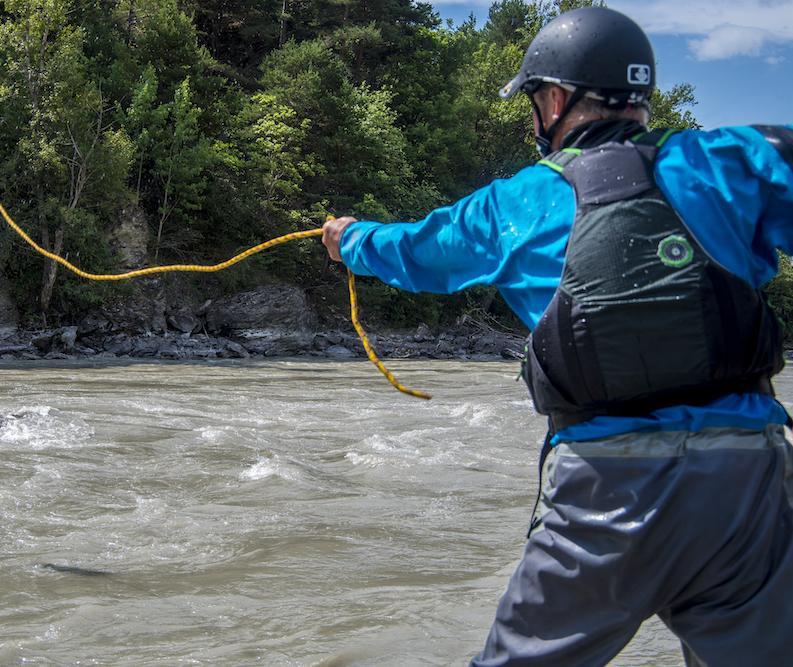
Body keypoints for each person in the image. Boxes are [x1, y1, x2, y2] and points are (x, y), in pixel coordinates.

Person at [321, 7, 793, 667]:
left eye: (534, 101)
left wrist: (350, 241)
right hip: (744, 484)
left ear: (554, 99)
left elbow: (419, 250)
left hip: (605, 490)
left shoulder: (516, 203)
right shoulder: (734, 161)